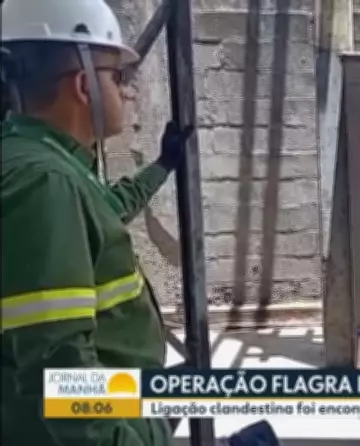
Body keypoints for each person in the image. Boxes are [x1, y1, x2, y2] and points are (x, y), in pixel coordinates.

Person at [0, 0, 191, 444]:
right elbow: (61, 374)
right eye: (118, 77)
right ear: (84, 85)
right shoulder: (44, 182)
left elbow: (106, 207)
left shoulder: (45, 162)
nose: (129, 92)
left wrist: (162, 166)